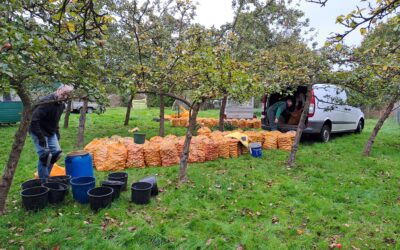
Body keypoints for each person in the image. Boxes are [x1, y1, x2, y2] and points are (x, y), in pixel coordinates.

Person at [29, 85, 74, 178]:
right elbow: (34, 120)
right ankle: (43, 182)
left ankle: (46, 176)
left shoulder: (61, 105)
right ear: (58, 90)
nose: (65, 97)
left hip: (50, 131)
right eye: (64, 94)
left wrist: (56, 132)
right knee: (45, 156)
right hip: (38, 130)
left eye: (67, 95)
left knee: (56, 154)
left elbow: (55, 120)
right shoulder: (47, 102)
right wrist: (40, 137)